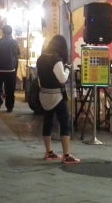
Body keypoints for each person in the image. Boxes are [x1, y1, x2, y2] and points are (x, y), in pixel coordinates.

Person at [36, 34, 80, 164]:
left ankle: (49, 152)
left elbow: (38, 79)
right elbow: (62, 79)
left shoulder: (40, 58)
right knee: (64, 122)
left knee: (48, 121)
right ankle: (66, 155)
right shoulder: (56, 60)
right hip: (57, 96)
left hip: (44, 94)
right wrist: (68, 68)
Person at [0, 24, 20, 112]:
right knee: (10, 89)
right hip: (11, 69)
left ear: (2, 32)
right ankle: (9, 106)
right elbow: (17, 54)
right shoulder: (14, 42)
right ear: (11, 32)